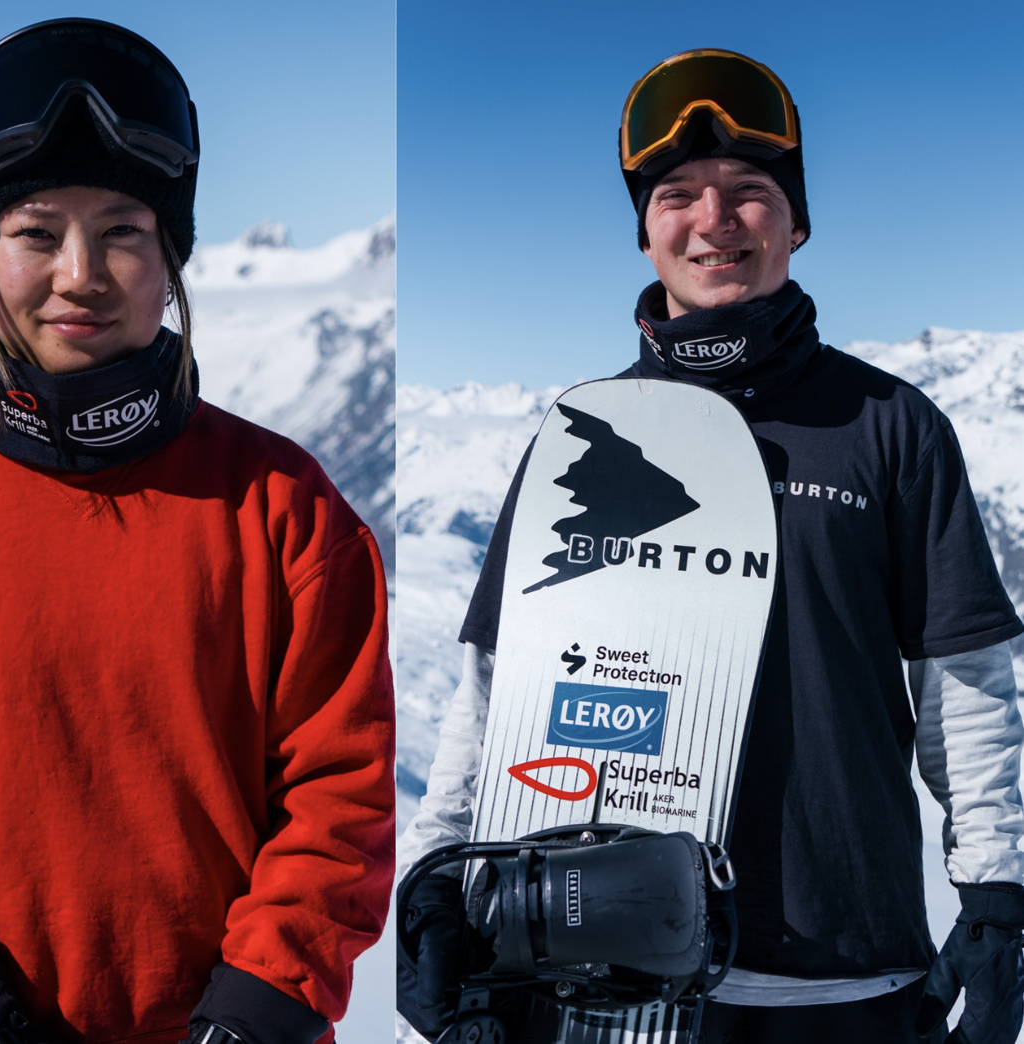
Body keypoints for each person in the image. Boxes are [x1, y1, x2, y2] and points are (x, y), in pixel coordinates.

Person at [0, 18, 393, 1044]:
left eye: (122, 231)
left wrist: (256, 1010)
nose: (80, 273)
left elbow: (341, 799)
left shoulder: (281, 505)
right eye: (35, 230)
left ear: (168, 257)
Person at [398, 48, 1024, 1044]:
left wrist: (992, 895)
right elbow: (491, 690)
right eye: (677, 194)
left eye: (748, 192)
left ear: (796, 222)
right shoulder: (579, 437)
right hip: (607, 970)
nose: (712, 219)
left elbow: (965, 682)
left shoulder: (886, 426)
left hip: (847, 969)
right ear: (645, 233)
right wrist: (438, 884)